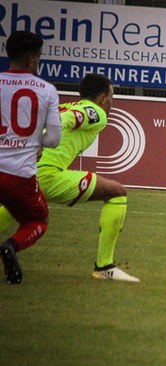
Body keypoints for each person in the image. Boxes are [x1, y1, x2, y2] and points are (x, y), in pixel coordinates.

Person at [1, 73, 140, 282]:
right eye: (112, 97)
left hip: (25, 170)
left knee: (16, 206)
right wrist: (40, 142)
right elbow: (67, 120)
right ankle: (105, 266)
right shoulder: (96, 111)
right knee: (116, 193)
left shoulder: (66, 106)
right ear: (103, 98)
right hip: (48, 173)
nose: (112, 103)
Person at [0, 31, 62, 285]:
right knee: (38, 219)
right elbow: (54, 139)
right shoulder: (46, 90)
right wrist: (35, 144)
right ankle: (11, 246)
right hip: (19, 175)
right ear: (30, 60)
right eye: (38, 57)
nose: (38, 62)